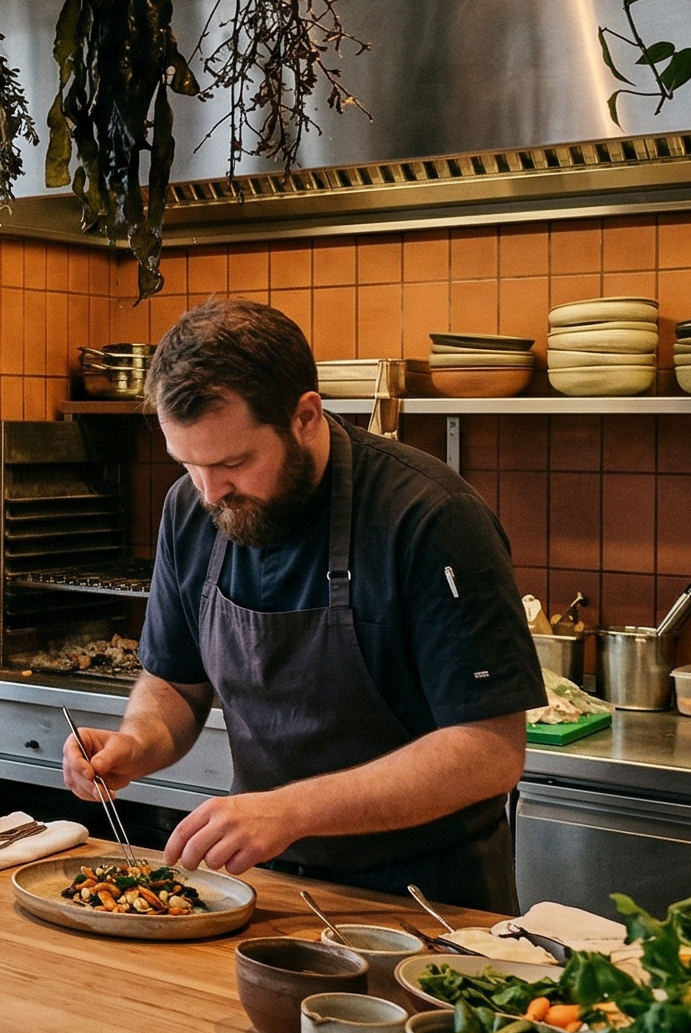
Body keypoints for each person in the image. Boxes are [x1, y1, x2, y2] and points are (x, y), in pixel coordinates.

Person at [64, 299, 543, 911]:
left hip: (427, 901)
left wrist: (290, 810)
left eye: (234, 462)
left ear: (305, 418)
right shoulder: (192, 508)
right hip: (266, 891)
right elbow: (176, 686)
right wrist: (137, 742)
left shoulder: (429, 517)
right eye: (188, 464)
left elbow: (489, 751)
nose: (211, 492)